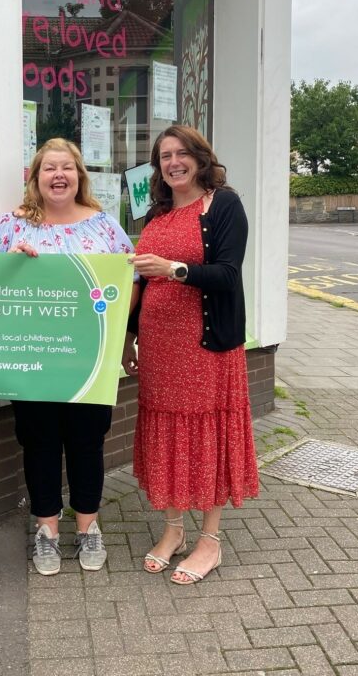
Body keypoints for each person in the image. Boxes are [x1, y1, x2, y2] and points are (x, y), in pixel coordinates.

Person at [0, 138, 134, 576]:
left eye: (66, 167)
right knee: (39, 443)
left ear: (79, 176)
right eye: (48, 168)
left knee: (88, 443)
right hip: (32, 360)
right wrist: (7, 265)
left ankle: (88, 526)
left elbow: (130, 280)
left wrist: (122, 336)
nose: (58, 175)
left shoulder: (105, 227)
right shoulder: (9, 229)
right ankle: (47, 530)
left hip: (89, 359)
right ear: (35, 177)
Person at [124, 124, 259, 585]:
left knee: (206, 434)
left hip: (206, 345)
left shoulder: (223, 204)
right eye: (165, 156)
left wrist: (173, 269)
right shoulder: (155, 216)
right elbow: (137, 285)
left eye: (182, 153)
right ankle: (174, 530)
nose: (173, 162)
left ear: (201, 158)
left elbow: (226, 272)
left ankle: (210, 540)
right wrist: (127, 336)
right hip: (160, 348)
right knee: (169, 434)